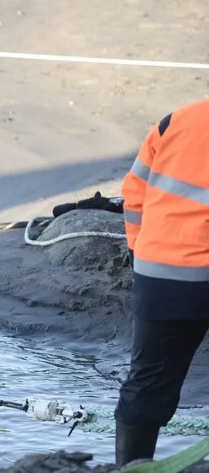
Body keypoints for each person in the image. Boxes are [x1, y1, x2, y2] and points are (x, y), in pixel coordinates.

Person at [115, 98, 209, 465]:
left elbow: (134, 191)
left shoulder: (177, 120)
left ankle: (130, 469)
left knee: (147, 382)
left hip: (162, 274)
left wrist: (142, 254)